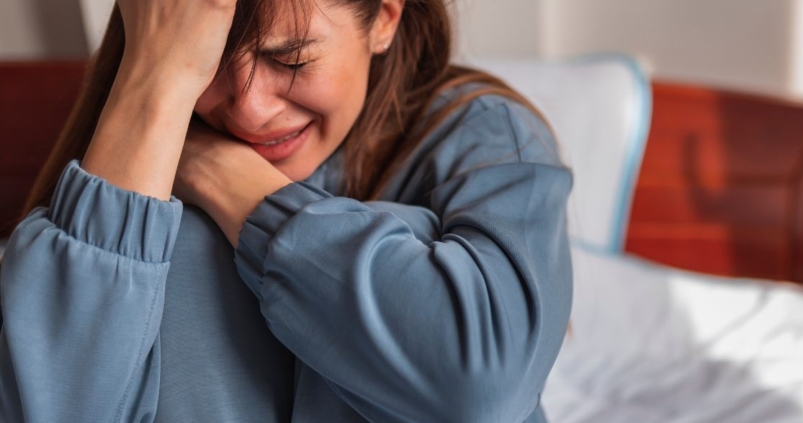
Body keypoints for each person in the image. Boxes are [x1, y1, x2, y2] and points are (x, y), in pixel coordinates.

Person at [0, 0, 572, 421]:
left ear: (385, 18)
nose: (250, 111)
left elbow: (481, 388)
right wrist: (156, 85)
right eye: (208, 64)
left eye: (291, 60)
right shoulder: (142, 159)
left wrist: (228, 180)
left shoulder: (484, 137)